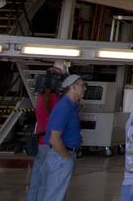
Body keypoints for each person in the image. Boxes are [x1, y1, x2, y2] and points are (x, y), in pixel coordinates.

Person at [26, 73, 87, 201]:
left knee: (53, 193)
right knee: (54, 195)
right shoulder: (64, 107)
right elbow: (54, 138)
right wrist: (66, 157)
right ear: (72, 87)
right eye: (82, 85)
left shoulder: (72, 106)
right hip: (60, 157)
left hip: (62, 155)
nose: (85, 88)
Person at [32, 66, 66, 152]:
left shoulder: (43, 97)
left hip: (45, 138)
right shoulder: (47, 96)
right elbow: (47, 102)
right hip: (47, 140)